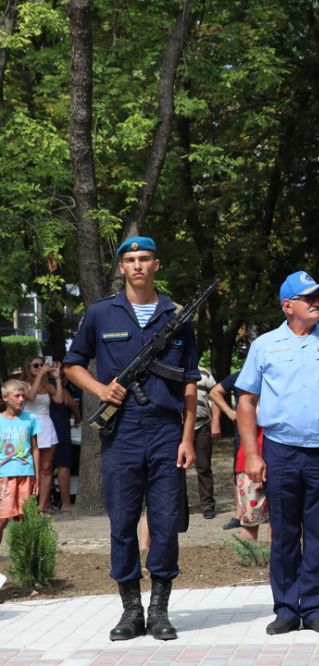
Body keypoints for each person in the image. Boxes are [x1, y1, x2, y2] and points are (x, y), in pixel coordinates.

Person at [64, 236, 198, 642]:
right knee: (122, 523)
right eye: (130, 259)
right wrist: (101, 391)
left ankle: (159, 611)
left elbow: (190, 381)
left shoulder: (176, 316)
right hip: (120, 433)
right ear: (121, 267)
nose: (137, 265)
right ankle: (130, 610)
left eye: (144, 259)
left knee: (164, 524)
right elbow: (72, 364)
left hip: (164, 432)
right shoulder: (101, 314)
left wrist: (188, 437)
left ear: (157, 264)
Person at [235, 270, 319, 635]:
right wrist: (252, 453)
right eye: (309, 297)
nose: (317, 302)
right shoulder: (265, 345)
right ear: (288, 305)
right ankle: (285, 609)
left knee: (318, 532)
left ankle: (313, 608)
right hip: (280, 452)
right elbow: (247, 400)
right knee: (283, 533)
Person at [21, 356, 64, 514]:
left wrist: (57, 379)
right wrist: (40, 375)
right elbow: (30, 397)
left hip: (46, 425)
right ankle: (27, 504)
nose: (40, 368)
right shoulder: (23, 385)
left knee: (46, 468)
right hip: (28, 426)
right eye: (36, 366)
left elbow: (59, 400)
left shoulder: (47, 386)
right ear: (28, 368)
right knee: (29, 467)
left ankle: (42, 506)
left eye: (42, 365)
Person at [0, 379, 39, 548]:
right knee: (2, 518)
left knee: (24, 518)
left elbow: (35, 448)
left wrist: (36, 476)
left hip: (26, 473)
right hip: (4, 475)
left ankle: (24, 558)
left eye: (23, 395)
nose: (22, 399)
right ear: (5, 397)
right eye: (17, 396)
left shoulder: (31, 419)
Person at [209, 373, 243, 531]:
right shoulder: (240, 376)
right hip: (242, 432)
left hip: (269, 431)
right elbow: (215, 392)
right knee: (239, 471)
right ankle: (239, 514)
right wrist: (230, 413)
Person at [49, 363, 82, 510]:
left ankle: (49, 501)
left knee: (47, 466)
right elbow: (67, 402)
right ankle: (66, 502)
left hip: (53, 424)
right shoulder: (51, 385)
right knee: (63, 464)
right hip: (58, 424)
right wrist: (78, 416)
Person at [191, 367, 222, 519]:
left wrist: (216, 422)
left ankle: (207, 506)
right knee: (173, 468)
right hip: (177, 426)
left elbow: (216, 397)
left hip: (201, 426)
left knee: (203, 467)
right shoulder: (172, 369)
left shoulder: (204, 373)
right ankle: (176, 507)